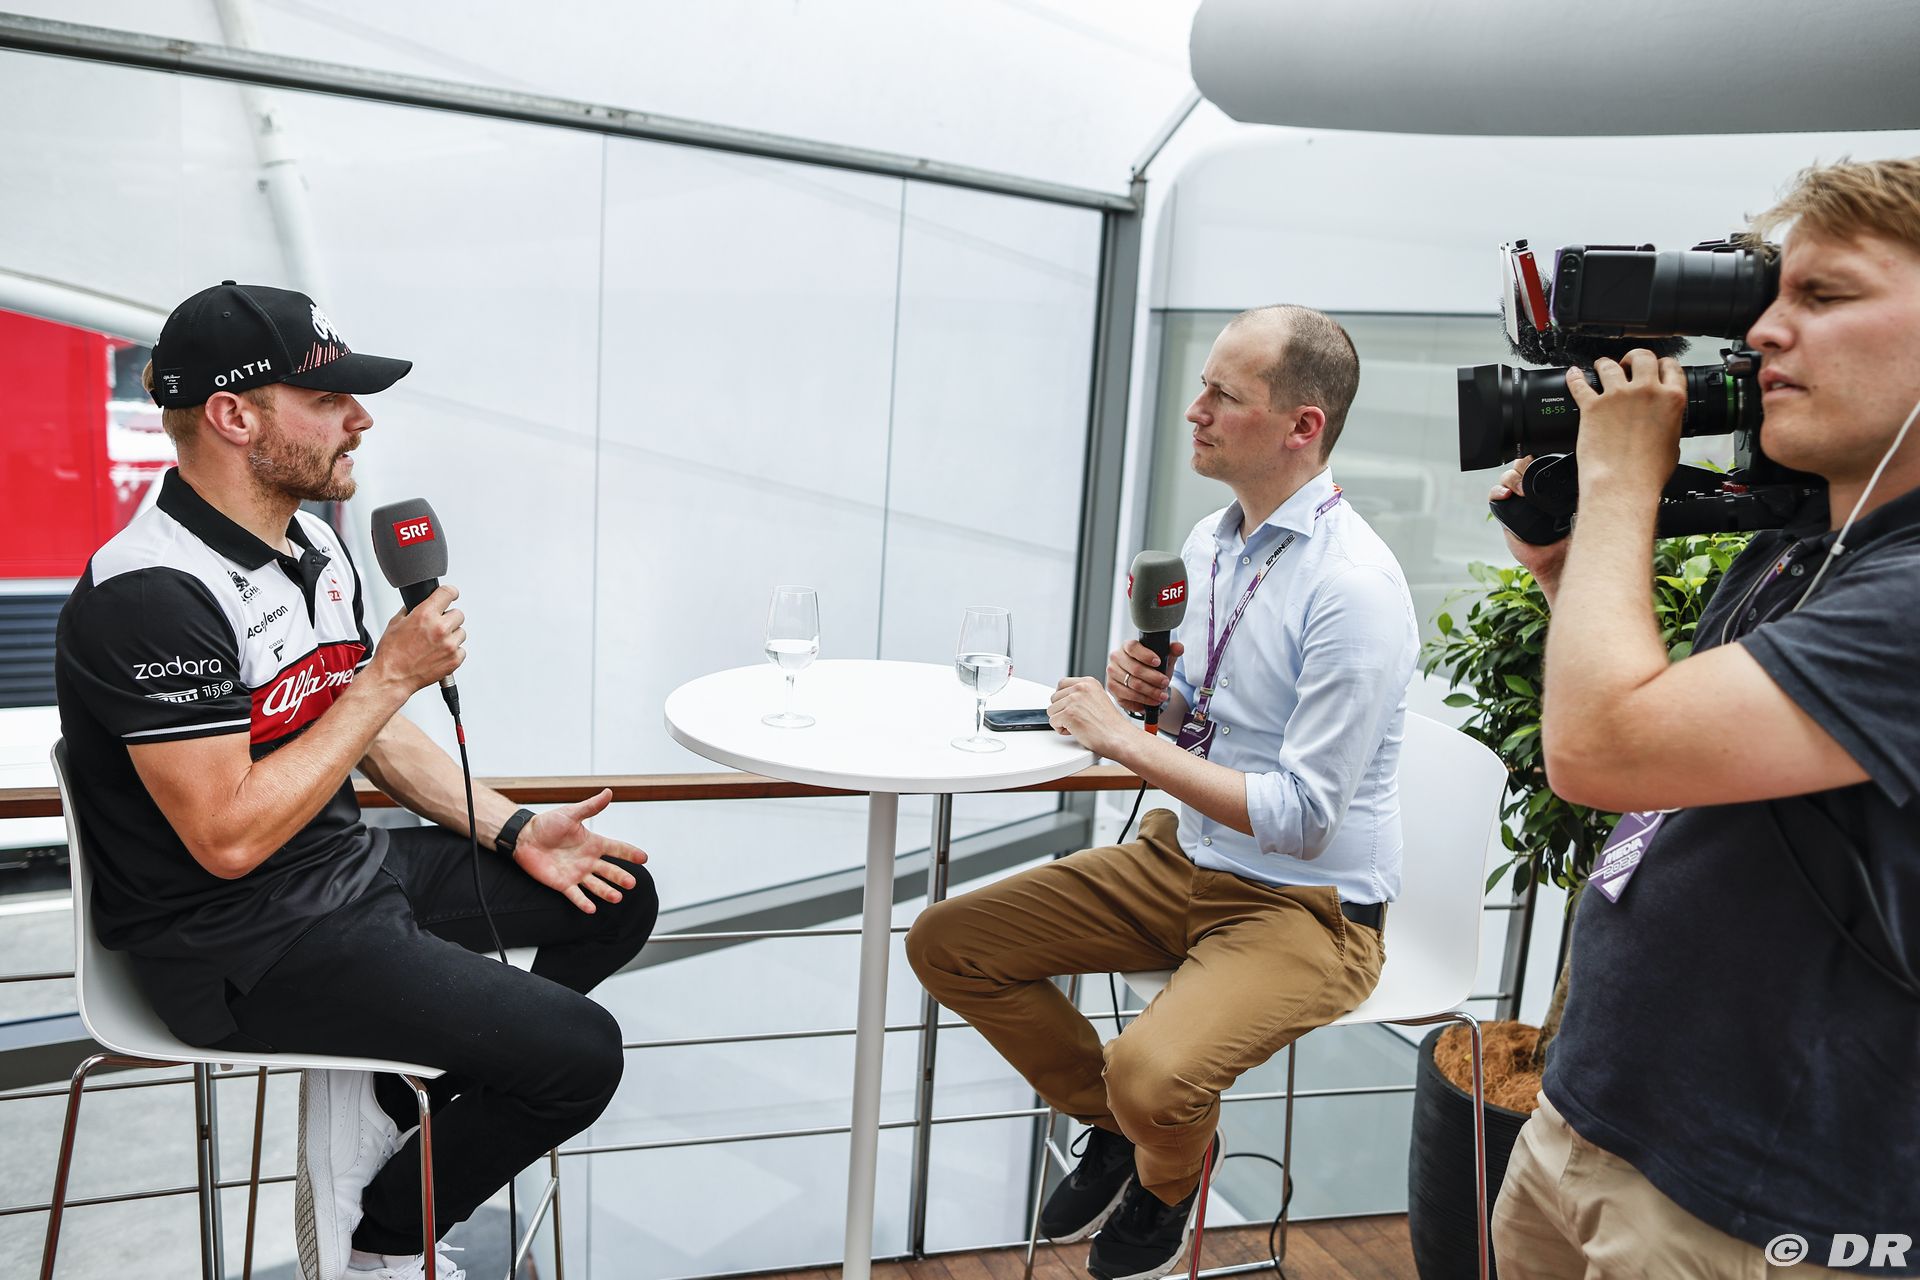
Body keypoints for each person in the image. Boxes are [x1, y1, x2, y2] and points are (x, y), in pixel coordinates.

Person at [53, 282, 658, 1280]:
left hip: (343, 874)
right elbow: (229, 838)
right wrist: (388, 676)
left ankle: (390, 1101)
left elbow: (369, 732)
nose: (360, 420)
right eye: (329, 399)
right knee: (580, 1056)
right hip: (237, 946)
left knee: (615, 896)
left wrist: (515, 830)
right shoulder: (152, 594)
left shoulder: (315, 543)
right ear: (234, 415)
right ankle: (378, 1242)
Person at [908, 305, 1417, 1280]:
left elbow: (1304, 819)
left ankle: (1167, 1172)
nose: (1195, 410)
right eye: (1202, 387)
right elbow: (1206, 723)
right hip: (1182, 855)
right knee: (946, 942)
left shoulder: (1355, 588)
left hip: (1307, 908)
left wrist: (1125, 740)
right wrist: (1160, 699)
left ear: (1302, 426)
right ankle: (1121, 1123)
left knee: (1154, 1074)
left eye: (1224, 394)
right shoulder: (1212, 542)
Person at [1488, 157, 1920, 1278]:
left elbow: (1601, 751)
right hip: (1593, 1120)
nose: (1764, 331)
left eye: (1825, 296)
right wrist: (1571, 573)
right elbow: (1669, 750)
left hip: (1746, 1210)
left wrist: (1621, 480)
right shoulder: (1803, 546)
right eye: (1773, 296)